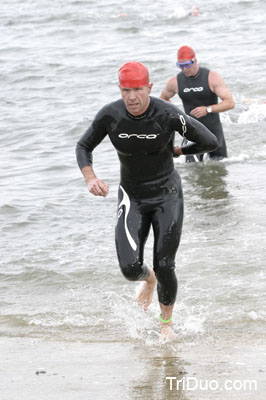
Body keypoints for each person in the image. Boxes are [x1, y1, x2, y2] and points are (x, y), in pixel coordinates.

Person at [76, 61, 218, 340]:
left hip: (168, 194)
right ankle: (148, 280)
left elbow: (209, 140)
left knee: (165, 263)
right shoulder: (110, 115)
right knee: (130, 269)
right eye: (126, 90)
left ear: (149, 88)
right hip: (132, 195)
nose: (132, 97)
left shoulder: (167, 114)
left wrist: (179, 149)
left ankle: (166, 323)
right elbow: (84, 146)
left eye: (138, 89)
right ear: (120, 89)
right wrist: (90, 177)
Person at [160, 45, 235, 162]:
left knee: (219, 168)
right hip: (190, 132)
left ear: (195, 60)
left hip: (213, 131)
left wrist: (208, 109)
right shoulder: (174, 82)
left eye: (187, 64)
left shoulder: (211, 77)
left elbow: (230, 103)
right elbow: (163, 101)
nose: (184, 69)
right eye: (180, 65)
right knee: (192, 171)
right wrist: (173, 116)